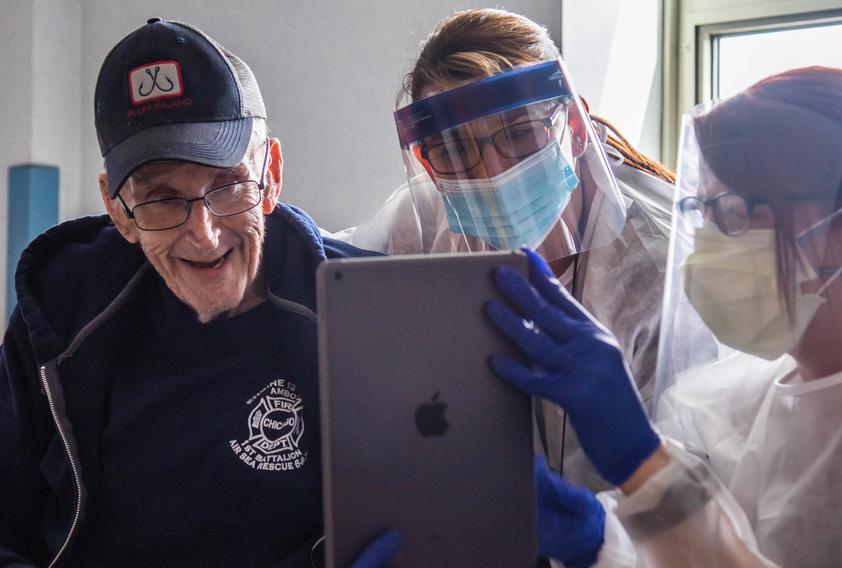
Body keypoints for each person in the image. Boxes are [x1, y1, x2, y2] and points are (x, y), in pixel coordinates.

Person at [0, 18, 388, 567]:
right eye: (162, 199)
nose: (204, 234)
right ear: (118, 209)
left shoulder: (368, 309)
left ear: (270, 173)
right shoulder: (63, 315)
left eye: (227, 185)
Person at [487, 66, 842, 566]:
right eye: (704, 211)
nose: (707, 246)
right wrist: (598, 541)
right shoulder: (734, 408)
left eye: (734, 213)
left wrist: (647, 468)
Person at [335, 8, 675, 493]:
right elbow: (328, 269)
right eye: (454, 150)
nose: (490, 171)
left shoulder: (658, 264)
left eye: (519, 132)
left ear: (574, 127)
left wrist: (594, 540)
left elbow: (688, 488)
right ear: (428, 167)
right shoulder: (426, 221)